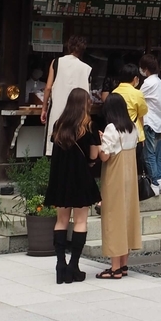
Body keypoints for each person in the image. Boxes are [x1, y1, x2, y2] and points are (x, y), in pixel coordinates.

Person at [43, 87, 101, 284]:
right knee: (80, 222)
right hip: (81, 177)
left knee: (61, 221)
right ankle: (74, 266)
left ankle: (60, 264)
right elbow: (93, 156)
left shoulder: (59, 125)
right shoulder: (88, 126)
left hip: (60, 178)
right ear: (85, 104)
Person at [95, 92, 141, 279]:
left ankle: (114, 268)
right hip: (130, 176)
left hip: (114, 177)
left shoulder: (111, 129)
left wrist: (100, 141)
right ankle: (123, 265)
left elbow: (105, 156)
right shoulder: (132, 127)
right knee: (128, 216)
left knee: (114, 217)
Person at [41, 36, 92, 156]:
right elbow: (87, 95)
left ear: (69, 47)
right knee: (75, 144)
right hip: (78, 113)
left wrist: (44, 109)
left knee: (55, 144)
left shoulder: (56, 62)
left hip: (57, 110)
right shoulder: (86, 68)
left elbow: (48, 88)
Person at [139, 53, 161, 194]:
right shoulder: (159, 82)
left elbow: (137, 97)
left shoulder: (149, 83)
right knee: (153, 153)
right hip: (157, 122)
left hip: (149, 121)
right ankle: (158, 179)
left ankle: (155, 182)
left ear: (145, 68)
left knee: (148, 154)